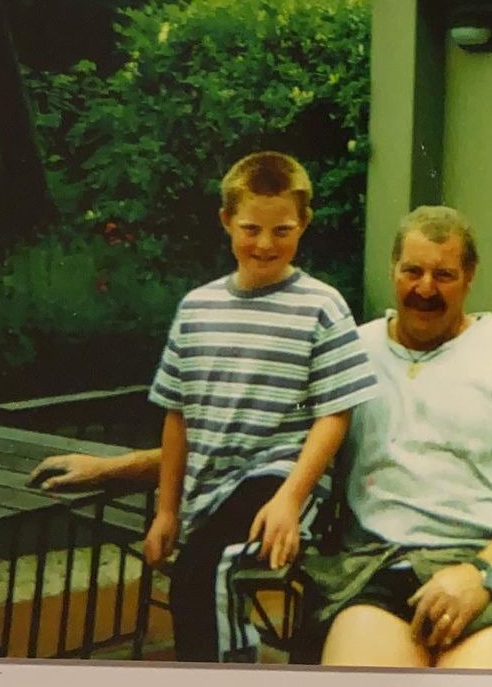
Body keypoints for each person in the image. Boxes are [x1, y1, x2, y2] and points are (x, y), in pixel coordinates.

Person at [32, 205, 492, 670]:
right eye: (412, 271)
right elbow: (253, 444)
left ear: (470, 276)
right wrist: (112, 468)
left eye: (444, 275)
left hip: (491, 571)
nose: (425, 289)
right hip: (373, 570)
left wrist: (483, 575)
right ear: (393, 269)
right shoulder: (349, 351)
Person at [139, 150, 377, 662]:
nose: (265, 244)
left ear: (304, 224)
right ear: (226, 221)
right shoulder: (196, 308)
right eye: (251, 229)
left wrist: (292, 497)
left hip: (283, 479)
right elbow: (176, 415)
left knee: (206, 570)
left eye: (282, 230)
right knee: (200, 571)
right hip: (210, 488)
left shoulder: (322, 305)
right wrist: (166, 510)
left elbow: (335, 414)